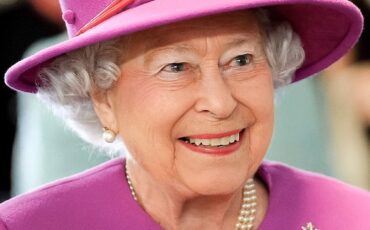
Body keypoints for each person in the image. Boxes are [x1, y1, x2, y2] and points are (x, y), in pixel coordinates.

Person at [1, 0, 369, 229]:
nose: (221, 103)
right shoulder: (26, 226)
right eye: (176, 67)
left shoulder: (354, 217)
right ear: (103, 101)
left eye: (241, 60)